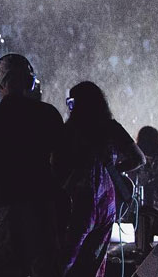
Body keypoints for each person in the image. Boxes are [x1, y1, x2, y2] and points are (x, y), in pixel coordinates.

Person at [0, 54, 64, 277]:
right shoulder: (48, 114)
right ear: (29, 80)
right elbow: (64, 163)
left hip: (4, 211)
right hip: (41, 209)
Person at [56, 81, 145, 277]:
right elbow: (139, 158)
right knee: (95, 264)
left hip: (80, 200)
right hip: (107, 201)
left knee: (66, 260)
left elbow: (57, 166)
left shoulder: (70, 130)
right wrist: (113, 171)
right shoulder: (111, 127)